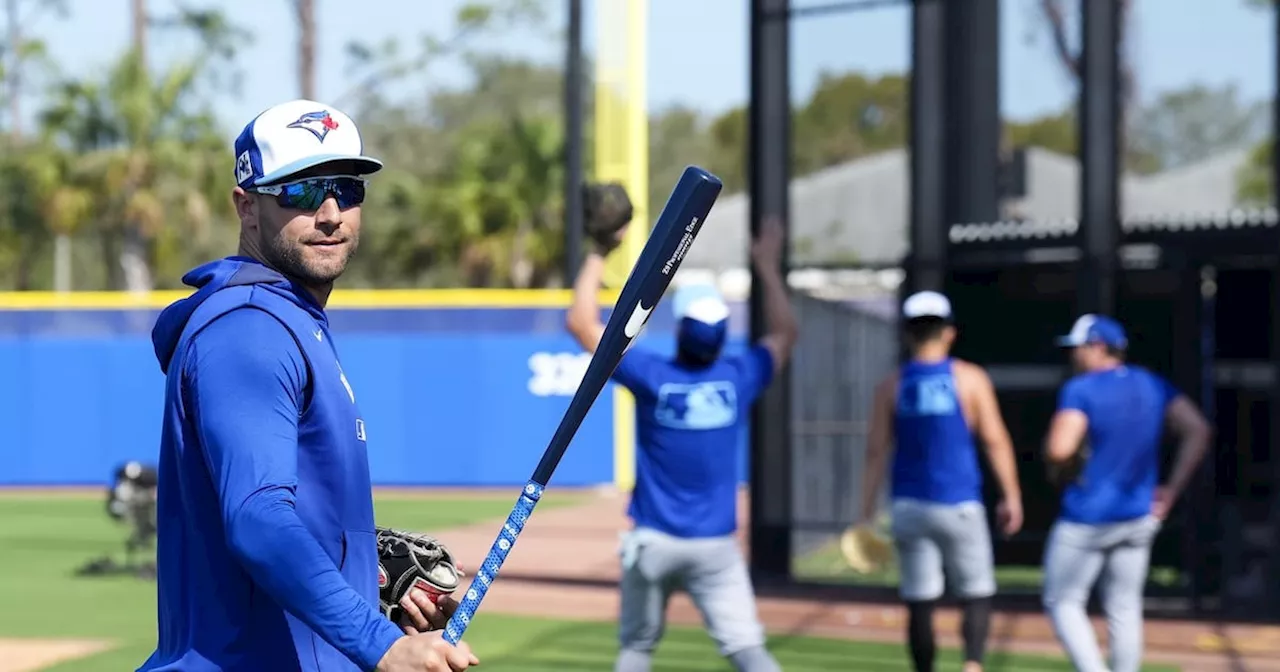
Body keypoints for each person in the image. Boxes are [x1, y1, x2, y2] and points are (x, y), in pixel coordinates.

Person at [138, 99, 478, 672]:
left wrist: (360, 572)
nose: (330, 213)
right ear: (247, 207)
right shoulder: (249, 330)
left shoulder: (289, 320)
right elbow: (258, 517)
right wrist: (381, 642)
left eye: (346, 189)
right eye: (299, 192)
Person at [565, 216, 798, 672]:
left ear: (683, 331)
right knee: (747, 651)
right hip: (715, 546)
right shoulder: (739, 378)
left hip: (653, 542)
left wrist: (599, 251)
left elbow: (580, 322)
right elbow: (786, 333)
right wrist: (767, 265)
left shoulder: (653, 376)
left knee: (637, 649)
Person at [857, 290, 1024, 672]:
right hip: (961, 503)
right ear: (948, 332)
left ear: (907, 334)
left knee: (919, 599)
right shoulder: (969, 378)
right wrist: (1011, 495)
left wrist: (865, 513)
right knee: (977, 591)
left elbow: (875, 452)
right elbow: (995, 439)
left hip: (909, 506)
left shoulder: (891, 385)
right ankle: (973, 664)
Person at [1041, 314, 1211, 672]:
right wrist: (1172, 489)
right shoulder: (1151, 383)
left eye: (1079, 348)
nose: (1074, 356)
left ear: (1098, 347)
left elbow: (1059, 448)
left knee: (1063, 600)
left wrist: (1059, 456)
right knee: (1124, 606)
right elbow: (1197, 429)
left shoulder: (1081, 389)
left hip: (1087, 515)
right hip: (1138, 514)